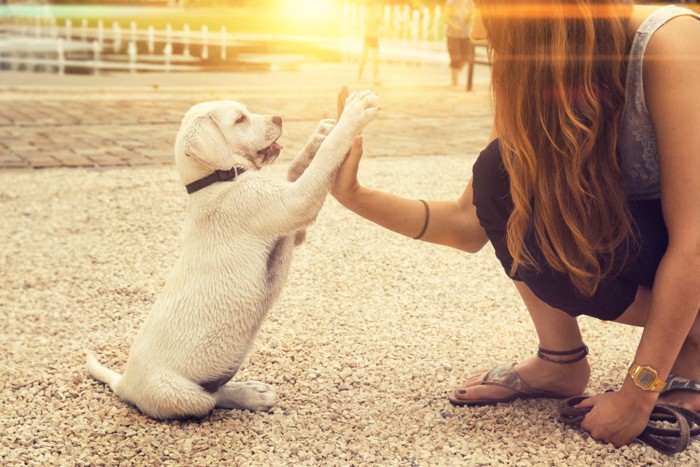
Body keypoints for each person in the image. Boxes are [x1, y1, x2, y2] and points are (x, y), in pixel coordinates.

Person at [332, 0, 700, 448]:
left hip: (690, 248)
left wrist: (638, 393)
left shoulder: (669, 41)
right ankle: (561, 360)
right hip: (657, 248)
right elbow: (469, 223)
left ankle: (693, 344)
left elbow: (694, 240)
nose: (477, 33)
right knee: (500, 173)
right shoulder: (538, 72)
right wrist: (354, 195)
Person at [444, 0, 473, 87]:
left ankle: (455, 74)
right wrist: (455, 26)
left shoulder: (469, 3)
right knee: (455, 56)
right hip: (452, 33)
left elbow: (470, 17)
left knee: (466, 56)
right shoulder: (451, 2)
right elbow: (445, 17)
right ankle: (455, 81)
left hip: (465, 33)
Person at [358, 1, 383, 86]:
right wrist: (377, 17)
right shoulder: (367, 14)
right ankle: (359, 76)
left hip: (375, 38)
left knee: (376, 60)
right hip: (368, 38)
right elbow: (370, 22)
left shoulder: (378, 15)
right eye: (375, 6)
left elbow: (382, 25)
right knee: (364, 58)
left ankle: (375, 79)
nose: (376, 7)